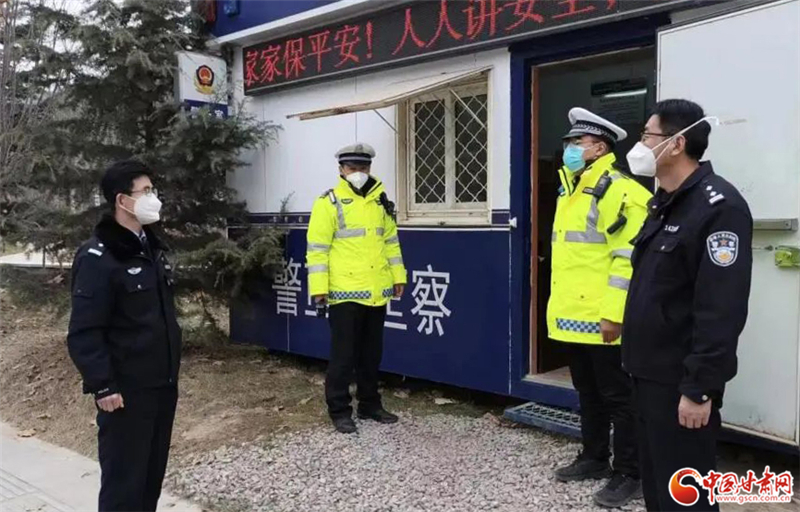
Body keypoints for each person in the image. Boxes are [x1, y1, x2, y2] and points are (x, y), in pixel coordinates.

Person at [622, 99, 753, 511]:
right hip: (646, 375)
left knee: (685, 496)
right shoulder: (664, 202)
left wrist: (700, 388)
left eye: (647, 136)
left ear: (676, 143)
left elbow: (721, 309)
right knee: (658, 491)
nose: (640, 146)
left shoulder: (719, 207)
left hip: (679, 383)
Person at [548, 108, 651, 507]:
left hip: (604, 317)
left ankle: (630, 472)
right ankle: (593, 457)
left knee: (619, 398)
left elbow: (627, 261)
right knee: (588, 392)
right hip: (574, 315)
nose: (570, 149)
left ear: (600, 148)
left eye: (578, 142)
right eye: (568, 142)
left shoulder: (621, 191)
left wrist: (614, 314)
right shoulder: (572, 188)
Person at [67, 159, 181, 511]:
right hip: (125, 394)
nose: (153, 198)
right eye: (145, 191)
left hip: (161, 386)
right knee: (124, 486)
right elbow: (85, 330)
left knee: (149, 482)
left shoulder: (151, 248)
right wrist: (103, 385)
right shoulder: (99, 257)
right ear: (122, 200)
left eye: (152, 190)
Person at [306, 143, 407, 434]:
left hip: (376, 293)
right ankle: (339, 410)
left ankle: (370, 404)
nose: (358, 173)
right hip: (344, 293)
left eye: (363, 167)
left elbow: (391, 243)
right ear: (341, 170)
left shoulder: (380, 202)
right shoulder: (329, 202)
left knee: (371, 355)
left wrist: (398, 277)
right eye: (352, 168)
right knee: (343, 357)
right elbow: (317, 249)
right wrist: (318, 288)